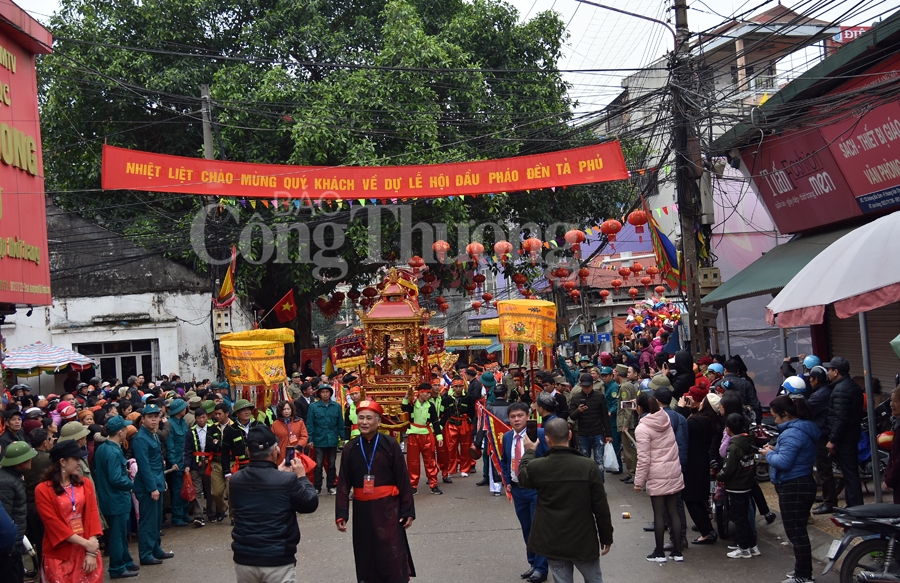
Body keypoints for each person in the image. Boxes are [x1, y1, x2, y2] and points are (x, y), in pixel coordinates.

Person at [517, 418, 613, 583]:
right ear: (569, 435)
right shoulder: (588, 466)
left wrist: (530, 451)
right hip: (583, 538)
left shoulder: (538, 466)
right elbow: (600, 506)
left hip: (553, 539)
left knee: (561, 580)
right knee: (594, 579)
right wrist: (606, 536)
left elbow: (523, 477)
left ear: (547, 439)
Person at [335, 399, 416, 583]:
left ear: (378, 421)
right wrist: (341, 514)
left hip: (388, 508)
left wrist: (408, 510)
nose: (364, 422)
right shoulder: (350, 448)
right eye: (361, 417)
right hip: (362, 509)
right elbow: (343, 484)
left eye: (368, 418)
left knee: (390, 552)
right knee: (366, 553)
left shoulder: (390, 444)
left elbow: (403, 478)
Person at [230, 425, 318, 583]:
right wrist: (302, 477)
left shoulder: (236, 480)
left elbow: (261, 484)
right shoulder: (287, 481)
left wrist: (277, 472)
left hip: (244, 558)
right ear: (274, 451)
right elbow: (310, 503)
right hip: (277, 558)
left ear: (248, 452)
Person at [760, 396, 819, 583]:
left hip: (794, 486)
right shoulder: (802, 429)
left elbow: (784, 462)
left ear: (786, 415)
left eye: (776, 417)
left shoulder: (792, 433)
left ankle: (803, 575)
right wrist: (775, 450)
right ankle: (802, 571)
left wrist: (769, 454)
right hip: (802, 482)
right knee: (798, 531)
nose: (775, 421)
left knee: (796, 533)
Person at [34, 440, 103, 583]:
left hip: (86, 550)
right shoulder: (42, 489)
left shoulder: (85, 483)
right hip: (59, 553)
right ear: (62, 462)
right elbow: (53, 525)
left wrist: (91, 549)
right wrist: (86, 544)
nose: (80, 462)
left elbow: (92, 514)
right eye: (76, 458)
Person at [633, 393, 684, 562]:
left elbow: (644, 458)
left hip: (657, 474)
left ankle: (659, 552)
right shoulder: (666, 420)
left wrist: (638, 482)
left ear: (640, 408)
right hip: (673, 470)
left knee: (658, 514)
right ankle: (677, 551)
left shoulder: (642, 428)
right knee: (673, 512)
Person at [502, 402, 549, 582]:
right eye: (513, 417)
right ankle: (533, 563)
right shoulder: (507, 437)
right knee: (527, 528)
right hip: (517, 489)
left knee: (538, 528)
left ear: (528, 416)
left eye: (520, 415)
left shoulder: (539, 435)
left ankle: (541, 568)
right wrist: (507, 480)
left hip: (536, 490)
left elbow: (549, 457)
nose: (516, 419)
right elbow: (505, 459)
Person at [93, 415, 139, 578]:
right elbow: (115, 478)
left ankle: (125, 560)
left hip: (108, 497)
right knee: (118, 535)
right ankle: (117, 567)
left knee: (119, 533)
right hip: (116, 498)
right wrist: (132, 485)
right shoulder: (113, 451)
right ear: (120, 432)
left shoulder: (103, 448)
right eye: (125, 428)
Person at [131, 403, 175, 565]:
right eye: (150, 417)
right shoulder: (141, 438)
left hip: (156, 482)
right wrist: (152, 488)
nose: (154, 420)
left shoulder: (153, 434)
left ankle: (156, 548)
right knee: (148, 521)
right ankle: (146, 553)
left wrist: (161, 481)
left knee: (156, 520)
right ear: (143, 419)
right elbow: (144, 466)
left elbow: (156, 463)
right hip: (148, 486)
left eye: (156, 416)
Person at [681, 392, 723, 545]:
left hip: (694, 463)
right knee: (699, 498)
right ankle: (706, 529)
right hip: (704, 462)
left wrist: (682, 409)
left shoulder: (697, 422)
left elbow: (681, 426)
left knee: (691, 499)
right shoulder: (712, 421)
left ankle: (707, 532)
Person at [824, 357, 865, 508]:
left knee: (849, 473)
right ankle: (853, 504)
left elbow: (841, 418)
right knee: (850, 472)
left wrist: (833, 440)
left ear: (836, 372)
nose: (828, 372)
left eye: (830, 369)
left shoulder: (841, 390)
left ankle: (855, 506)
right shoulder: (851, 385)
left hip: (845, 437)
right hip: (851, 434)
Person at [717, 413, 758, 559]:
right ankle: (752, 545)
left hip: (736, 486)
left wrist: (719, 476)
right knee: (745, 516)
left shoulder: (733, 447)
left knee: (738, 517)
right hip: (747, 483)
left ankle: (743, 548)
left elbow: (728, 468)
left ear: (728, 429)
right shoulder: (748, 441)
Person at [0, 441, 35, 583]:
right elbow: (6, 516)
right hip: (9, 547)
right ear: (20, 462)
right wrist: (10, 546)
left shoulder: (13, 477)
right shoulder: (6, 483)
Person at [401, 383, 443, 495]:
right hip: (413, 435)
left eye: (430, 393)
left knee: (430, 460)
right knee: (412, 462)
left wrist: (439, 436)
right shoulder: (412, 404)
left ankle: (433, 484)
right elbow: (403, 409)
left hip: (426, 435)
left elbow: (435, 422)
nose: (429, 395)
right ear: (420, 392)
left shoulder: (430, 406)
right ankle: (413, 485)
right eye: (427, 393)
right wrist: (406, 397)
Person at [568, 373, 612, 476]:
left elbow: (604, 416)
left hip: (598, 432)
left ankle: (599, 487)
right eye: (584, 386)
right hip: (583, 433)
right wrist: (578, 411)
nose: (586, 388)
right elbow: (572, 416)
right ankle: (586, 487)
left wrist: (608, 434)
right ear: (581, 385)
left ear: (592, 385)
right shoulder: (576, 397)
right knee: (584, 462)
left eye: (588, 386)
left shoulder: (599, 396)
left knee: (599, 462)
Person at [807, 366, 837, 514]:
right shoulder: (824, 391)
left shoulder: (819, 395)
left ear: (816, 379)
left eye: (810, 378)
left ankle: (829, 502)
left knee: (824, 470)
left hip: (823, 434)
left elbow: (806, 411)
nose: (809, 381)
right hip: (824, 432)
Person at [306, 385, 343, 495]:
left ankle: (330, 486)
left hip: (332, 439)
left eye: (327, 392)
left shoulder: (336, 407)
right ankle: (317, 487)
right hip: (319, 439)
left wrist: (343, 438)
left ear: (330, 393)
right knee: (318, 464)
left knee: (332, 464)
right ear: (319, 394)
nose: (325, 394)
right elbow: (310, 424)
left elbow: (340, 424)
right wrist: (310, 439)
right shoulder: (313, 407)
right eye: (323, 392)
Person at [441, 376, 475, 478]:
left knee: (465, 447)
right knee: (451, 448)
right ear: (452, 387)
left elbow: (472, 412)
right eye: (456, 386)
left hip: (464, 424)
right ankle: (451, 469)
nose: (459, 389)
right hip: (451, 424)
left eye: (460, 386)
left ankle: (465, 469)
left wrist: (469, 421)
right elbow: (444, 411)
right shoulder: (447, 397)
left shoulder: (468, 397)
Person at [165, 398, 192, 527]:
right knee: (177, 491)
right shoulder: (170, 424)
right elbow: (169, 446)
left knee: (186, 488)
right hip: (176, 463)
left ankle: (185, 513)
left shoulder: (183, 422)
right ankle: (177, 516)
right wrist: (173, 462)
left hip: (185, 461)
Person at [222, 399, 259, 482]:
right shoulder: (230, 430)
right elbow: (225, 452)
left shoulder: (259, 426)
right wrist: (227, 472)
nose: (247, 412)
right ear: (237, 413)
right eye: (243, 410)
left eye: (249, 409)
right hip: (239, 468)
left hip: (258, 466)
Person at [615, 364, 638, 483]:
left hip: (627, 424)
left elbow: (627, 406)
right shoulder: (628, 385)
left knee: (629, 450)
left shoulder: (624, 387)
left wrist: (625, 424)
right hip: (628, 422)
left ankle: (633, 473)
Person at [271, 400, 308, 465]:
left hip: (296, 453)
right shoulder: (275, 424)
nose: (286, 411)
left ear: (292, 410)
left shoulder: (299, 422)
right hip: (281, 455)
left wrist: (298, 447)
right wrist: (275, 445)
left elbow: (304, 436)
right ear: (280, 411)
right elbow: (271, 437)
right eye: (284, 409)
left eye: (288, 409)